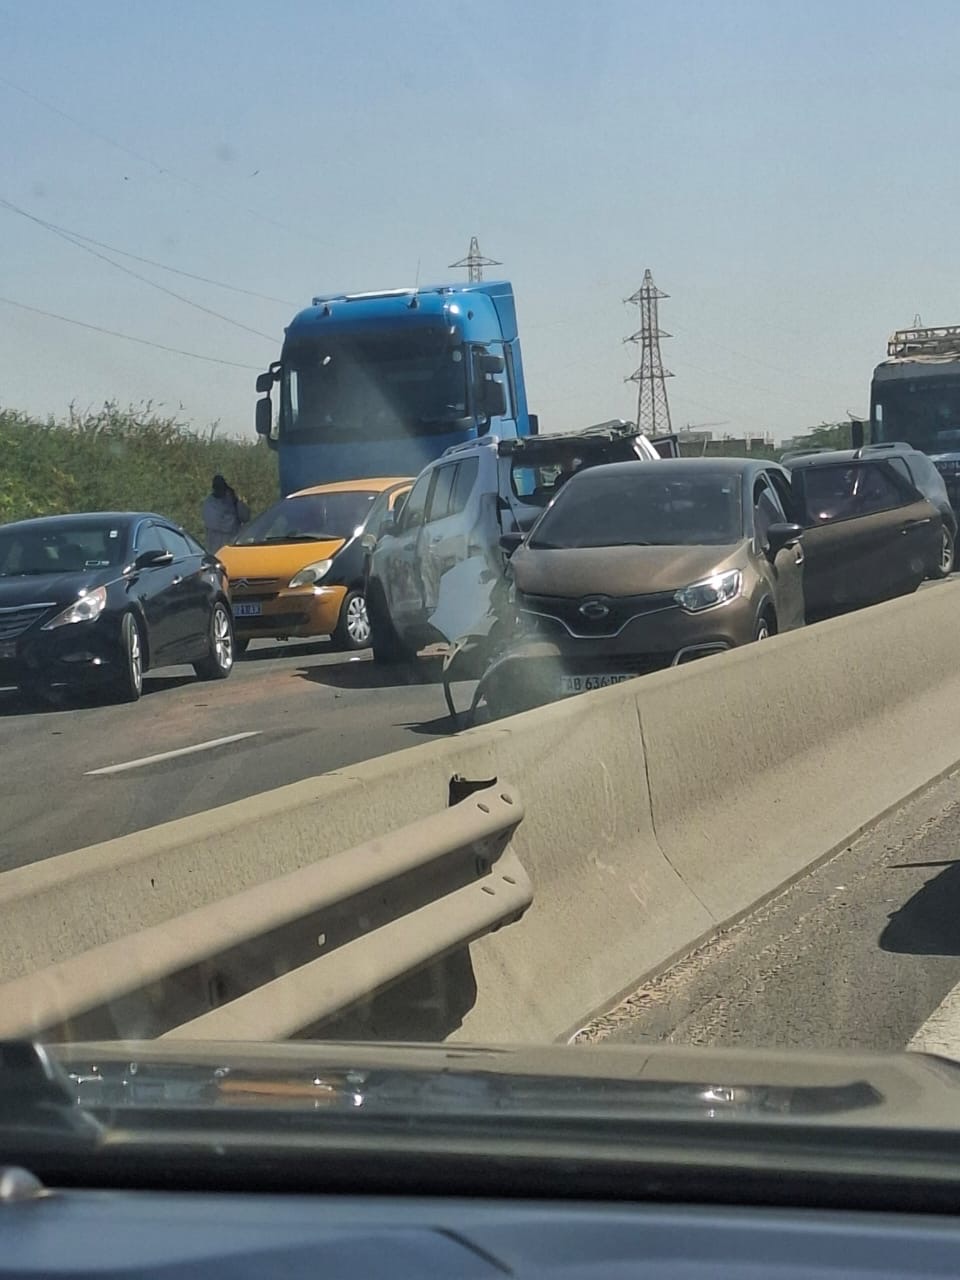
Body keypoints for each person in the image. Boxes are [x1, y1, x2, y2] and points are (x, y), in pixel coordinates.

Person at [202, 474, 250, 552]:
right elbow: (218, 523)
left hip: (234, 544)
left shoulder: (231, 500)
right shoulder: (209, 503)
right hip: (217, 546)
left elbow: (245, 517)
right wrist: (234, 518)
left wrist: (237, 502)